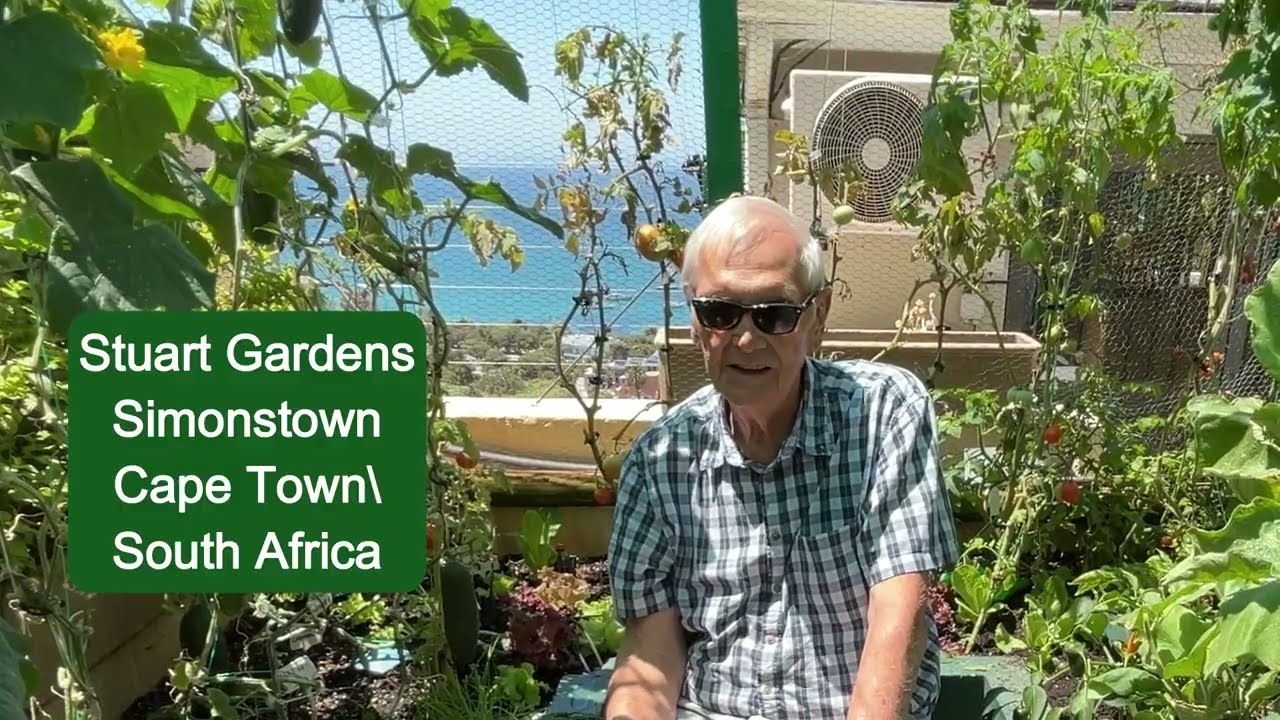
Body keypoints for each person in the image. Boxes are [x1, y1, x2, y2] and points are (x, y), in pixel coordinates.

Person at [604, 195, 961, 720]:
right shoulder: (660, 461)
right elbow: (651, 654)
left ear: (817, 316)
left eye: (774, 314)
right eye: (721, 312)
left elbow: (898, 611)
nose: (746, 338)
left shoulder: (884, 413)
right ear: (695, 322)